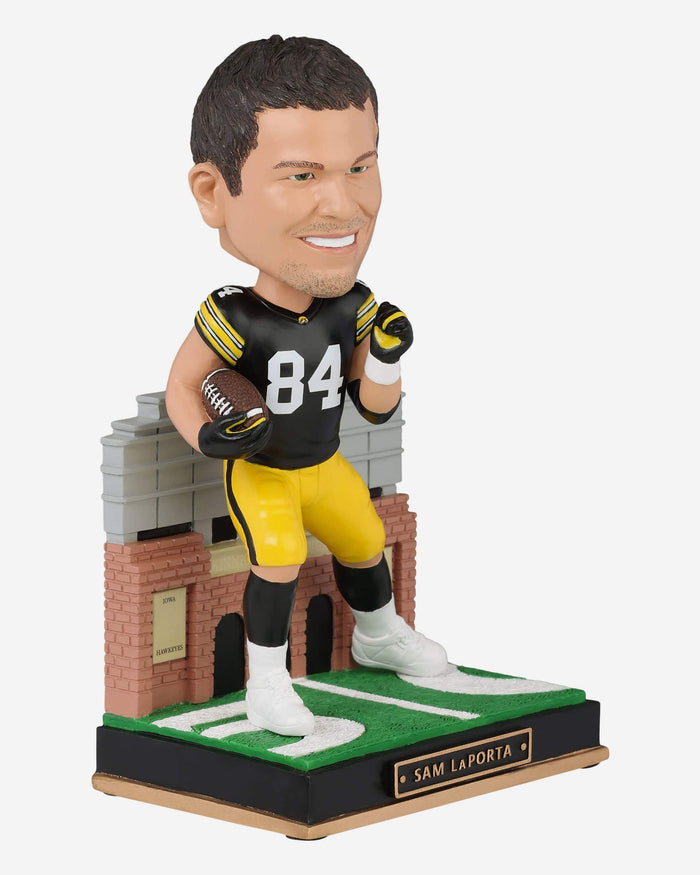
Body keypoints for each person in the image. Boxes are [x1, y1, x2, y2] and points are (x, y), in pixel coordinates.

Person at [166, 35, 448, 737]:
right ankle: (266, 679)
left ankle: (377, 634)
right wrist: (209, 435)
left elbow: (375, 408)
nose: (342, 204)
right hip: (264, 469)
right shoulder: (235, 315)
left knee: (365, 536)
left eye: (360, 167)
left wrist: (387, 357)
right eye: (301, 175)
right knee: (279, 557)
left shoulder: (351, 307)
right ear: (214, 193)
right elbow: (183, 387)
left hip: (324, 463)